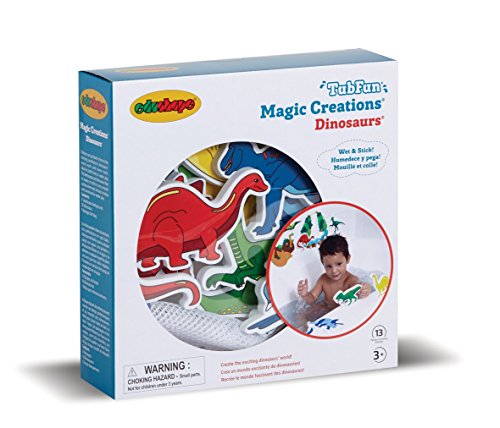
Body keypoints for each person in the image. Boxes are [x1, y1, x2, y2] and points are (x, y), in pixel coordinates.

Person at [297, 235, 371, 308]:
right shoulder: (323, 279)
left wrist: (364, 290)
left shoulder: (350, 280)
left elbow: (357, 289)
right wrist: (305, 294)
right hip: (326, 308)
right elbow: (312, 298)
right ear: (323, 263)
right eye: (329, 266)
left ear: (348, 259)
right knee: (304, 314)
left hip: (343, 310)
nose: (334, 271)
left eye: (339, 264)